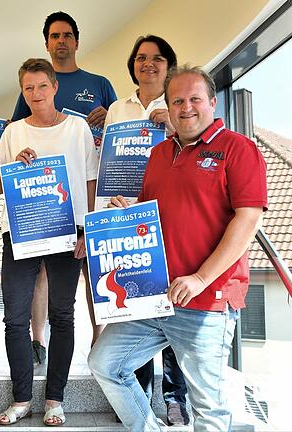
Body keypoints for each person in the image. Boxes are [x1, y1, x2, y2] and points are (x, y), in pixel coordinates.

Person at [88, 65, 267, 431]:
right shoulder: (158, 154)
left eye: (194, 99)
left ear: (213, 102)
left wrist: (201, 278)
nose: (186, 108)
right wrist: (129, 213)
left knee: (208, 408)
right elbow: (154, 217)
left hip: (206, 301)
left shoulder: (237, 148)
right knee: (105, 363)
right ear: (167, 108)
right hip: (154, 297)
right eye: (177, 101)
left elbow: (248, 221)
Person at [0, 58, 99, 426]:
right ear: (23, 92)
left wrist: (86, 229)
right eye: (28, 88)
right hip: (20, 233)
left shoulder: (77, 128)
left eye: (41, 86)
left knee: (63, 316)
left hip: (67, 232)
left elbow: (89, 181)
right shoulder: (13, 133)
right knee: (14, 318)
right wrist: (12, 168)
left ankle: (55, 398)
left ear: (55, 88)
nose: (35, 94)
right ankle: (21, 399)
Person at [13, 10, 117, 363]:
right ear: (47, 43)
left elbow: (116, 127)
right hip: (40, 209)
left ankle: (99, 337)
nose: (61, 40)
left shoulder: (98, 83)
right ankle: (37, 339)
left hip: (82, 200)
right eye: (54, 35)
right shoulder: (32, 87)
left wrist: (108, 116)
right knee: (41, 274)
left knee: (92, 270)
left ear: (76, 40)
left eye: (66, 35)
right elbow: (16, 132)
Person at [105, 34, 190, 426]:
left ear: (168, 65)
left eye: (157, 58)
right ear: (133, 65)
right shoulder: (118, 108)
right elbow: (105, 163)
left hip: (167, 215)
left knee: (173, 309)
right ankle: (135, 397)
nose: (148, 64)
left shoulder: (176, 106)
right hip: (127, 216)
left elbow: (191, 148)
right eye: (141, 58)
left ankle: (175, 397)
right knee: (136, 308)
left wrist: (171, 124)